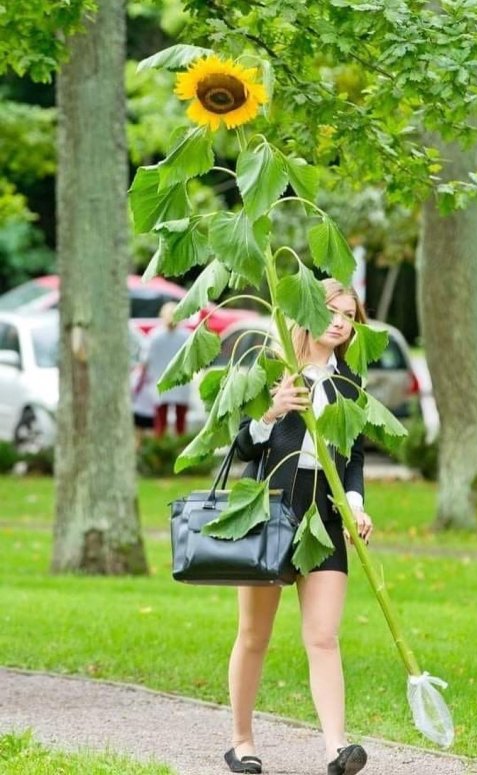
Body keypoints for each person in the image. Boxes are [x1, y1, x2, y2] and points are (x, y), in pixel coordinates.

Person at [224, 279, 373, 775]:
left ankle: (337, 749)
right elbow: (241, 447)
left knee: (324, 636)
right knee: (254, 635)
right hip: (269, 512)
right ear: (305, 309)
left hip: (324, 517)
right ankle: (241, 741)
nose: (340, 323)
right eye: (333, 311)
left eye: (349, 316)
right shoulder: (270, 365)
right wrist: (272, 411)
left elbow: (351, 458)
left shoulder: (349, 382)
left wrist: (355, 505)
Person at [135, 302, 190, 437]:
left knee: (160, 422)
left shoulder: (154, 337)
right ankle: (180, 446)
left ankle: (161, 448)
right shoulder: (186, 336)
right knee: (180, 422)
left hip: (161, 382)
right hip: (181, 383)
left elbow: (144, 361)